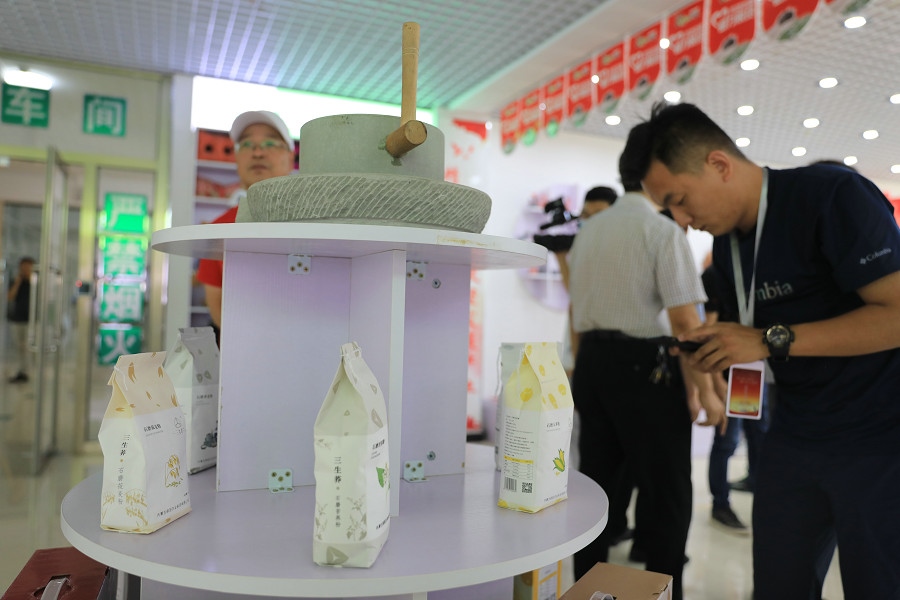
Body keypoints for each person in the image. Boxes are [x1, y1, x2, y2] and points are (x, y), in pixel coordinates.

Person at [631, 101, 900, 599]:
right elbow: (736, 328)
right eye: (670, 212)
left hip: (878, 437)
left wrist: (769, 339)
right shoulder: (729, 248)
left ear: (719, 164)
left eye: (681, 201)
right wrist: (710, 350)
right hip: (794, 434)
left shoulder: (830, 196)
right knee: (778, 586)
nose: (682, 221)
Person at [567, 125, 725, 600]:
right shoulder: (660, 230)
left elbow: (575, 310)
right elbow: (686, 325)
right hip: (645, 369)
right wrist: (709, 391)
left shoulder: (588, 232)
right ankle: (662, 591)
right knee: (667, 492)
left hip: (592, 364)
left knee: (597, 487)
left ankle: (589, 590)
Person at [195, 111, 294, 342]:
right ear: (237, 158)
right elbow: (218, 306)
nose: (258, 152)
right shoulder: (220, 228)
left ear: (290, 158)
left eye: (270, 143)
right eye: (247, 144)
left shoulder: (315, 219)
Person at [701, 264, 770, 534]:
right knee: (727, 440)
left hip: (755, 369)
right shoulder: (716, 275)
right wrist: (716, 379)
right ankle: (720, 504)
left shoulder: (759, 270)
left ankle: (754, 484)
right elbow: (708, 329)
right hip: (734, 372)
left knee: (759, 437)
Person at [6, 256, 35, 383]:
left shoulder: (35, 282)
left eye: (28, 267)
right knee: (19, 347)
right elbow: (10, 297)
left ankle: (28, 371)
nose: (25, 270)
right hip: (18, 318)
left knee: (29, 347)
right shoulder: (16, 281)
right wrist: (18, 282)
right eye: (23, 267)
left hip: (32, 320)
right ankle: (22, 371)